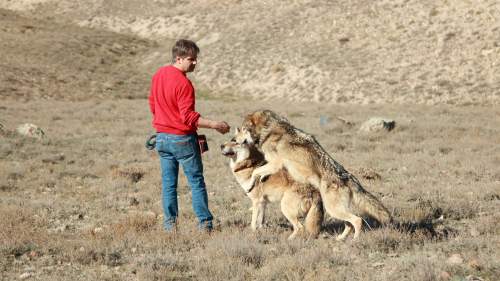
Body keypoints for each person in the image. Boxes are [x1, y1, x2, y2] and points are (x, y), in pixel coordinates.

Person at [148, 39, 230, 232]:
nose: (195, 63)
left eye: (195, 59)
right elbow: (188, 117)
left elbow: (152, 104)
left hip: (162, 138)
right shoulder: (184, 83)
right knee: (196, 182)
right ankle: (205, 225)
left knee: (169, 185)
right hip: (182, 139)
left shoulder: (159, 75)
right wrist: (215, 125)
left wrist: (164, 121)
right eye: (191, 59)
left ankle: (170, 226)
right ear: (178, 58)